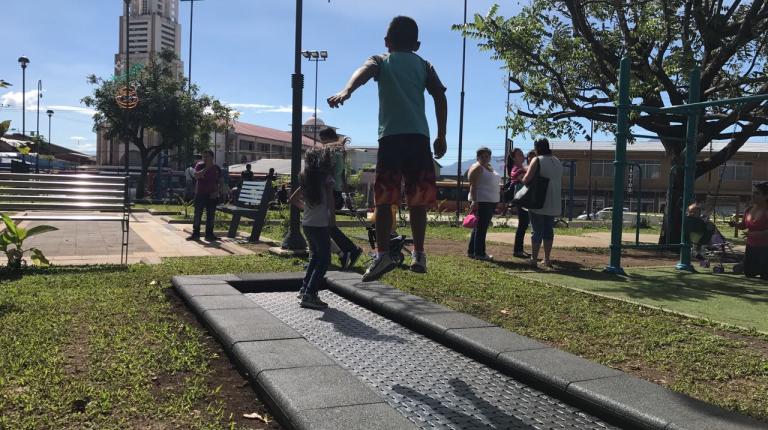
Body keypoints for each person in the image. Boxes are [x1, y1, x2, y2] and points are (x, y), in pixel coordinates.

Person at [328, 15, 448, 281]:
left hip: (392, 139)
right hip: (419, 139)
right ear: (417, 44)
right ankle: (419, 254)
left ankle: (382, 255)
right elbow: (440, 95)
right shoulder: (425, 65)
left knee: (383, 200)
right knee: (418, 201)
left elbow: (362, 73)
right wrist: (442, 135)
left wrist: (347, 91)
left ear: (386, 42)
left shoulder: (381, 60)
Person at [288, 148, 336, 309]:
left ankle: (304, 288)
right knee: (324, 259)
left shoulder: (306, 179)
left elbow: (292, 199)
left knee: (315, 257)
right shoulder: (327, 179)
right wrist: (332, 220)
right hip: (321, 224)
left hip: (307, 224)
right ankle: (310, 294)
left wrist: (305, 209)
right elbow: (330, 201)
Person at [319, 128, 364, 269]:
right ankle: (345, 253)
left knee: (324, 226)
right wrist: (348, 197)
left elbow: (328, 174)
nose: (321, 144)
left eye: (322, 140)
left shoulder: (331, 152)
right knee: (325, 226)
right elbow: (343, 177)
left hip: (329, 192)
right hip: (336, 193)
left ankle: (349, 250)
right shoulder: (341, 152)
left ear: (326, 139)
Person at [522, 138, 563, 268]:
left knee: (536, 230)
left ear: (536, 148)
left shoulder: (537, 159)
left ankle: (533, 258)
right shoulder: (557, 161)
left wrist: (521, 177)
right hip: (554, 200)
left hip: (539, 200)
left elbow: (526, 179)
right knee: (548, 230)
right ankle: (547, 258)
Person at [466, 147, 500, 260]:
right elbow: (473, 185)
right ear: (477, 157)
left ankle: (472, 251)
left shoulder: (489, 167)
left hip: (490, 201)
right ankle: (480, 253)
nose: (485, 158)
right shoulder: (477, 167)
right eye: (482, 156)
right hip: (482, 201)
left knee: (478, 227)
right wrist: (474, 201)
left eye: (487, 156)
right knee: (482, 228)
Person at [729, 183, 768, 279]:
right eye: (753, 193)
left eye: (757, 193)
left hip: (765, 248)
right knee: (749, 274)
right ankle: (743, 265)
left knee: (765, 276)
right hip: (751, 247)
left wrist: (755, 234)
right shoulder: (749, 210)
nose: (753, 195)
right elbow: (744, 225)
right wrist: (735, 224)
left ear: (766, 196)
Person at [187, 150, 222, 242]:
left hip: (212, 195)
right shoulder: (199, 165)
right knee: (197, 215)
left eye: (207, 157)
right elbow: (197, 176)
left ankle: (209, 235)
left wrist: (217, 192)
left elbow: (220, 182)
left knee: (211, 216)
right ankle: (195, 234)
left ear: (212, 157)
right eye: (203, 157)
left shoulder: (217, 168)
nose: (205, 158)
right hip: (200, 194)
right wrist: (207, 168)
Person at [510, 148, 533, 259]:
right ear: (514, 157)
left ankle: (519, 249)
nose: (522, 155)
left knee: (523, 224)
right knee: (522, 224)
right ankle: (517, 250)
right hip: (521, 199)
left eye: (522, 153)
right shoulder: (517, 169)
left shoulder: (522, 168)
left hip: (523, 199)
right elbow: (525, 180)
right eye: (519, 154)